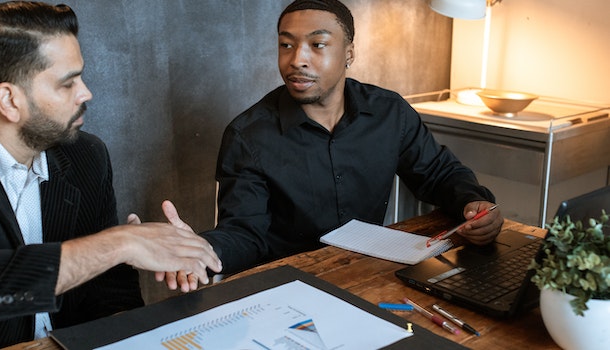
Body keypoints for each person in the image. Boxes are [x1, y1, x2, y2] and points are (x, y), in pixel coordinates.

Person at [0, 2, 221, 349]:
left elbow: (109, 292)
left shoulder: (86, 154)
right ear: (9, 101)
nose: (86, 93)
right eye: (68, 83)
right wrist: (120, 242)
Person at [164, 0, 502, 290]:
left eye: (317, 44)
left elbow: (439, 174)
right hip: (288, 286)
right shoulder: (248, 134)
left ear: (349, 53)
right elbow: (244, 232)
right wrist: (201, 249)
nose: (297, 59)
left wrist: (474, 203)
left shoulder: (389, 112)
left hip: (372, 276)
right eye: (286, 45)